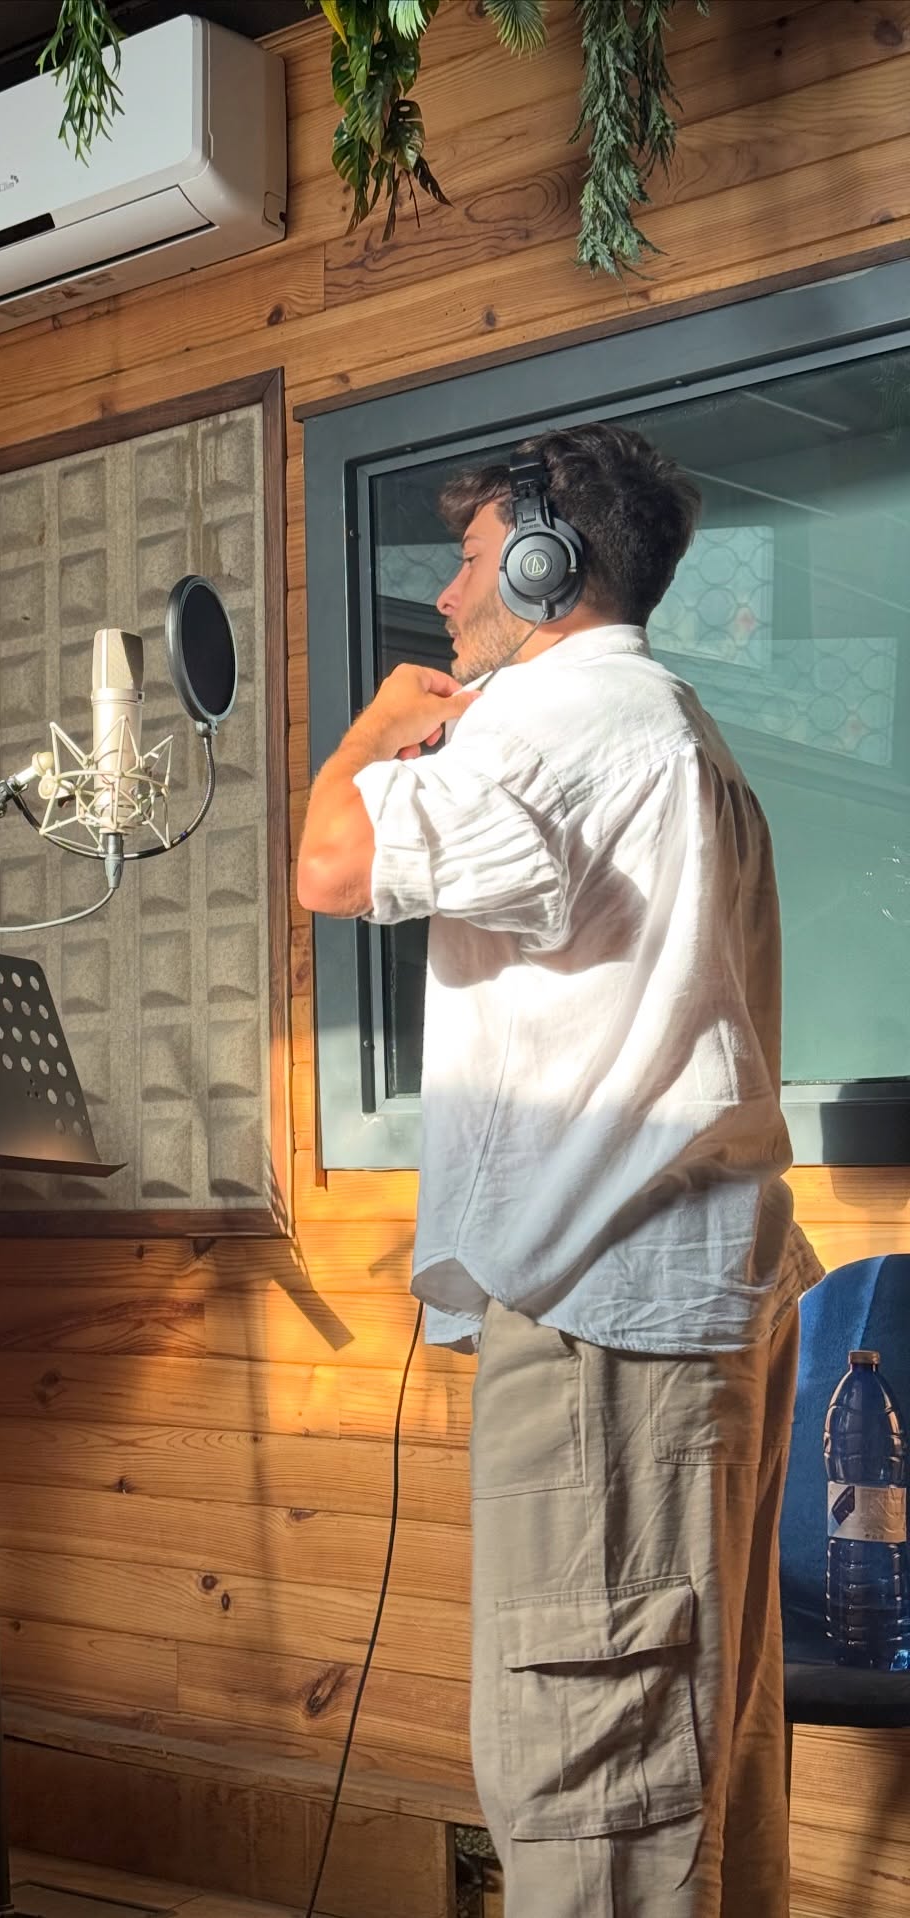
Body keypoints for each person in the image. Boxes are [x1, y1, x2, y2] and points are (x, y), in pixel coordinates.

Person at [296, 423, 822, 1918]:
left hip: (605, 1331)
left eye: (471, 562)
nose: (448, 597)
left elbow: (332, 863)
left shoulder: (561, 722)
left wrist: (369, 727)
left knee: (596, 1793)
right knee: (696, 1776)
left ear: (547, 564)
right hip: (680, 1312)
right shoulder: (675, 728)